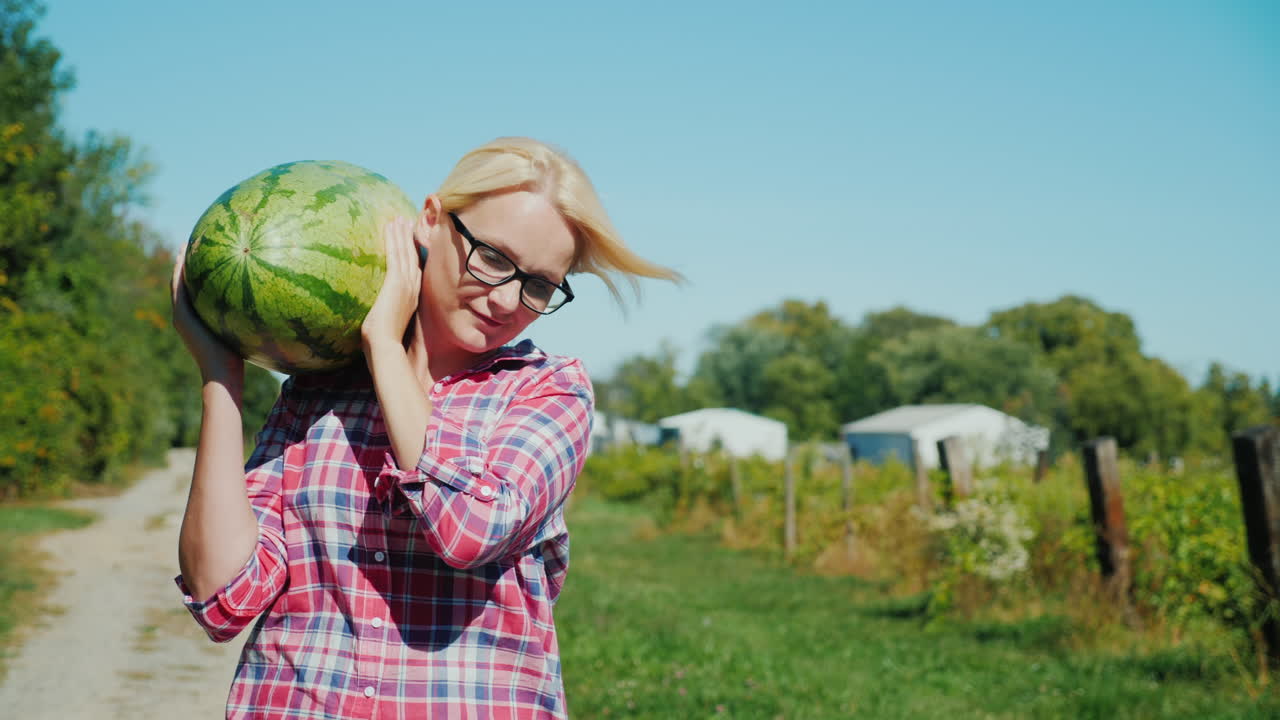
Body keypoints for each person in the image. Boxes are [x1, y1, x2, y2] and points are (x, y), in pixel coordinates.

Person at [169, 137, 680, 719]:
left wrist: (386, 346)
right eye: (492, 256)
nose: (506, 298)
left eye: (538, 285)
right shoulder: (315, 395)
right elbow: (222, 598)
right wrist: (220, 378)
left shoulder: (548, 394)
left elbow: (469, 530)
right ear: (432, 221)